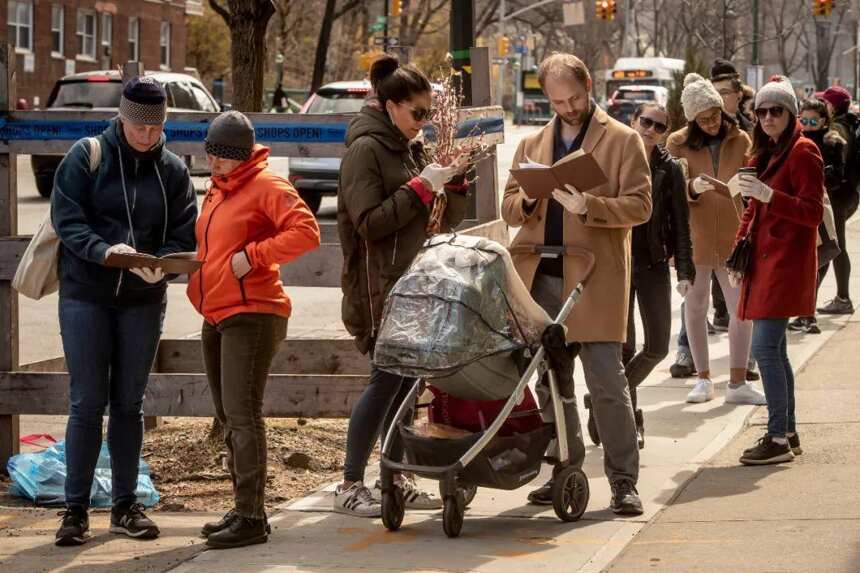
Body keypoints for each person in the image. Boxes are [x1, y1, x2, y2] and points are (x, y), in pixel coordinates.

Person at [502, 53, 652, 515]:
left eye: (574, 98)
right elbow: (507, 209)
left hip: (593, 278)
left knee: (607, 381)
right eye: (557, 101)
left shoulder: (624, 140)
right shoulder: (531, 142)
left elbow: (641, 206)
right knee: (550, 384)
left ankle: (624, 481)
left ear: (590, 86)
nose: (567, 107)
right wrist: (526, 198)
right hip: (538, 275)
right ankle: (565, 471)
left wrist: (590, 205)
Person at [51, 76, 198, 546]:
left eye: (155, 129)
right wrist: (103, 251)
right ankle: (74, 510)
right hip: (86, 294)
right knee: (86, 403)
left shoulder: (173, 170)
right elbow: (67, 218)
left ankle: (124, 506)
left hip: (142, 299)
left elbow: (183, 233)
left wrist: (166, 268)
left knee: (129, 406)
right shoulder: (86, 155)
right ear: (123, 117)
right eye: (139, 127)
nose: (147, 136)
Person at [334, 55, 471, 517]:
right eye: (418, 113)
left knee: (407, 384)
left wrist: (453, 184)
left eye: (429, 113)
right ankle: (351, 482)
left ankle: (394, 475)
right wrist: (419, 187)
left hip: (413, 283)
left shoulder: (406, 146)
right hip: (378, 286)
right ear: (391, 105)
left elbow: (440, 221)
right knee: (385, 381)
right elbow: (369, 224)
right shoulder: (366, 150)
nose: (424, 122)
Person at [187, 111, 321, 548]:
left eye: (225, 156)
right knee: (228, 416)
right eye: (212, 153)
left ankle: (251, 516)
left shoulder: (267, 186)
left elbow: (307, 232)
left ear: (243, 156)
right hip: (217, 312)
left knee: (243, 415)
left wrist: (257, 255)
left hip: (254, 312)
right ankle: (243, 507)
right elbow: (215, 250)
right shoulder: (217, 191)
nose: (215, 162)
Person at [584, 103, 693, 449]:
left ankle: (605, 399)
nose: (650, 129)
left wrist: (685, 269)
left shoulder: (670, 168)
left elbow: (681, 223)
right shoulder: (611, 160)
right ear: (632, 121)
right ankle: (629, 418)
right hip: (616, 262)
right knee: (623, 347)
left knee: (658, 346)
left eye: (659, 126)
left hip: (654, 264)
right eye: (645, 121)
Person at [733, 76, 824, 465]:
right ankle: (786, 431)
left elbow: (813, 212)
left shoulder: (803, 152)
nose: (768, 117)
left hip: (786, 263)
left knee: (765, 350)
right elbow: (752, 210)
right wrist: (737, 251)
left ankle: (776, 437)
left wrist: (774, 197)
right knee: (776, 351)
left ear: (790, 113)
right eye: (762, 111)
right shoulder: (765, 153)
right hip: (761, 262)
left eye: (777, 111)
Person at [666, 73, 765, 405]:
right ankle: (703, 378)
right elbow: (670, 190)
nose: (710, 123)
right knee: (695, 307)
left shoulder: (741, 139)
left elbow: (756, 172)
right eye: (702, 119)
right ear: (692, 120)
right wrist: (691, 188)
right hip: (694, 236)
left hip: (735, 234)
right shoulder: (677, 143)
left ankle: (737, 381)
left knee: (741, 309)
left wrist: (748, 183)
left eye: (714, 115)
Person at [789, 99, 847, 334]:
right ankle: (805, 312)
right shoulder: (793, 141)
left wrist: (821, 177)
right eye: (804, 120)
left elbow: (838, 178)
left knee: (819, 259)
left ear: (824, 120)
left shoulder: (831, 142)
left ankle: (807, 313)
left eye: (814, 120)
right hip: (794, 209)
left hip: (820, 210)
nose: (809, 125)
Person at [815, 86, 858, 315]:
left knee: (835, 244)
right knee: (834, 243)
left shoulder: (837, 127)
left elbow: (837, 157)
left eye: (826, 102)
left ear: (833, 106)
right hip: (848, 193)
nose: (824, 106)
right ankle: (839, 297)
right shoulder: (849, 123)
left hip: (838, 194)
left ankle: (843, 298)